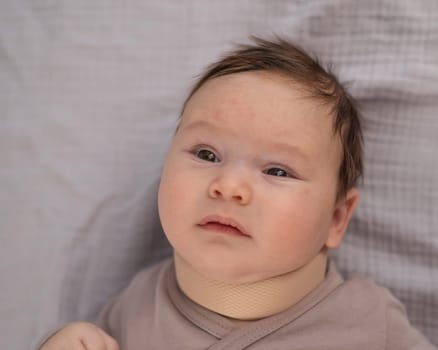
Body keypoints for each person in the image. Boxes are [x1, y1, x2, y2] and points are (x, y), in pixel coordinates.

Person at [38, 36, 436, 350]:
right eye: (207, 154)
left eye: (278, 170)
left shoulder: (368, 320)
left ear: (336, 218)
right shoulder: (137, 304)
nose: (228, 186)